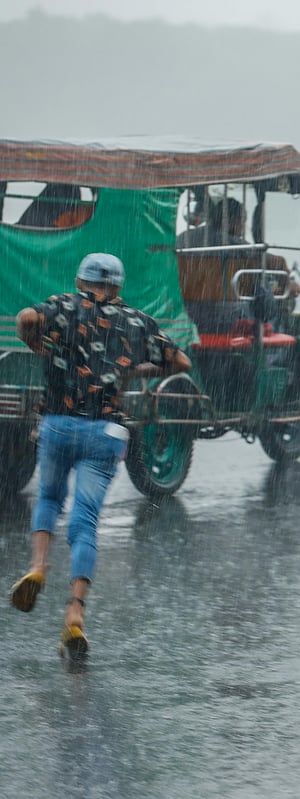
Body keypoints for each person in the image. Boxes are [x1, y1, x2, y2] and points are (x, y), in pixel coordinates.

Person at [9, 253, 192, 662]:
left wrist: (36, 345)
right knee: (85, 520)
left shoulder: (63, 305)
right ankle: (75, 610)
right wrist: (131, 371)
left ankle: (38, 565)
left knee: (50, 500)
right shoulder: (137, 320)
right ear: (119, 286)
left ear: (80, 279)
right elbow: (180, 361)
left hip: (58, 423)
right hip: (106, 431)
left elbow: (25, 317)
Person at [176, 197, 300, 332]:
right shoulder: (233, 244)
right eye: (242, 223)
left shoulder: (183, 239)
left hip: (185, 313)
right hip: (226, 319)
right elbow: (277, 262)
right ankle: (274, 351)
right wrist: (289, 284)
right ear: (231, 222)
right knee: (271, 315)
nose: (243, 230)